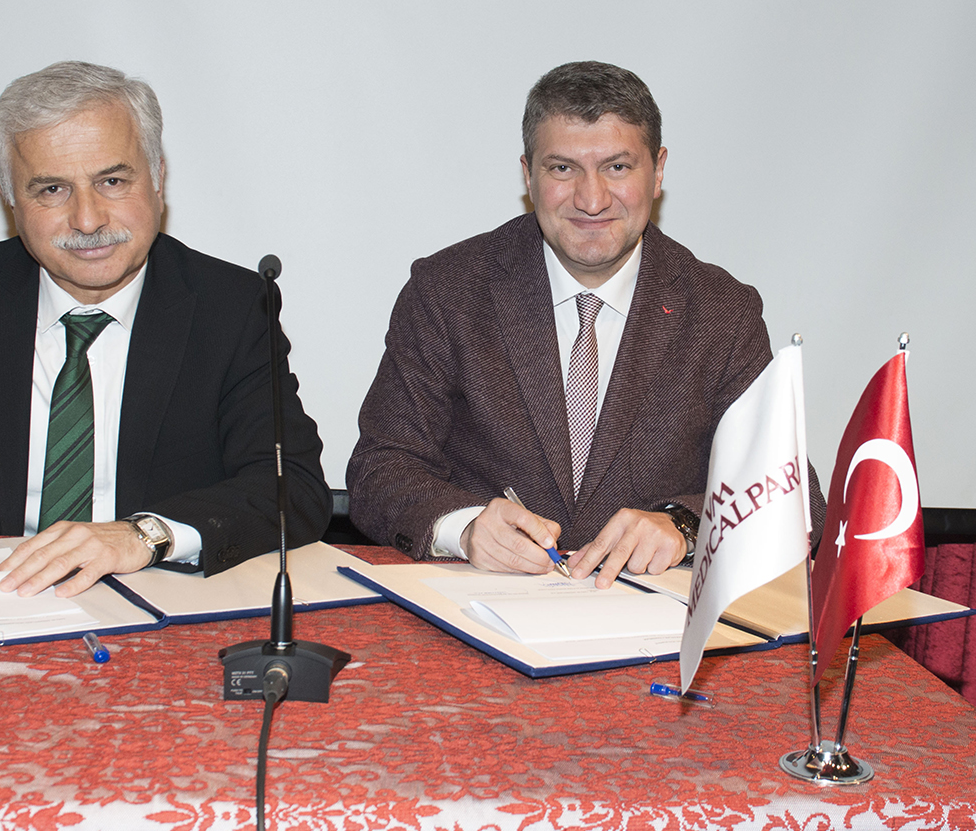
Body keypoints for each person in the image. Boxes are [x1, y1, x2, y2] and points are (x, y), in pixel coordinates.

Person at [0, 60, 331, 595]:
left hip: (159, 599)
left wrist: (142, 535)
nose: (88, 219)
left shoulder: (229, 306)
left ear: (158, 178)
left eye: (112, 181)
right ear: (10, 198)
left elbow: (291, 487)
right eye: (52, 190)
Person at [347, 60, 823, 584]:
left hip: (651, 620)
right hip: (478, 607)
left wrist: (684, 525)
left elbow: (795, 495)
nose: (591, 200)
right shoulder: (447, 291)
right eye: (562, 169)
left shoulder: (722, 312)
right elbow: (380, 469)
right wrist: (465, 528)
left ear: (658, 171)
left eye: (617, 167)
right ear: (528, 175)